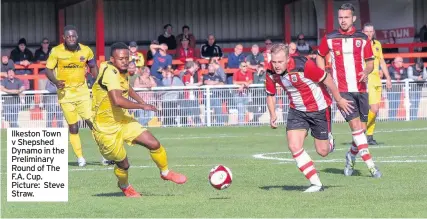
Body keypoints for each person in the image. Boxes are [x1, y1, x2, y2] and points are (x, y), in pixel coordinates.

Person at [91, 42, 187, 197]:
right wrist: (141, 107)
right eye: (120, 58)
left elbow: (126, 88)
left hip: (122, 120)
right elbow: (117, 100)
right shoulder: (110, 73)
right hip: (105, 129)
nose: (124, 61)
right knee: (124, 164)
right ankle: (124, 185)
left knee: (154, 143)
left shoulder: (121, 71)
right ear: (112, 59)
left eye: (126, 58)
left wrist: (141, 101)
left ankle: (165, 172)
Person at [266, 43, 353, 192]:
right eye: (274, 62)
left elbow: (328, 80)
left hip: (319, 108)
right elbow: (270, 94)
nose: (276, 65)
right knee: (294, 146)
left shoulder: (304, 65)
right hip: (297, 110)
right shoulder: (270, 71)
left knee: (323, 152)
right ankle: (316, 184)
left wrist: (339, 100)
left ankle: (329, 141)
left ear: (288, 58)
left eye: (280, 62)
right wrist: (273, 114)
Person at [316, 3, 381, 178]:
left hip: (361, 89)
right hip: (342, 90)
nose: (343, 21)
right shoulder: (330, 37)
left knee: (361, 128)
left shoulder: (362, 38)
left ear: (353, 18)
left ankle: (351, 155)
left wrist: (366, 71)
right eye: (340, 17)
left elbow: (370, 62)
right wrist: (323, 75)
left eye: (346, 17)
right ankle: (372, 167)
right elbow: (319, 56)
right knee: (355, 127)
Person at [45, 25, 105, 167]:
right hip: (65, 95)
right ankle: (80, 157)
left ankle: (104, 154)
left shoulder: (86, 50)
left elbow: (93, 66)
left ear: (77, 37)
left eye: (74, 36)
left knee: (93, 123)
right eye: (68, 36)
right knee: (73, 127)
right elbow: (48, 70)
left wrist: (97, 83)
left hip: (82, 92)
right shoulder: (56, 51)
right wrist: (55, 81)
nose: (71, 38)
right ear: (64, 38)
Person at [362, 23, 392, 145]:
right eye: (366, 31)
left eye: (371, 31)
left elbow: (382, 62)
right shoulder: (361, 45)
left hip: (376, 81)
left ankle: (369, 136)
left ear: (374, 32)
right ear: (363, 32)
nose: (369, 33)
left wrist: (388, 78)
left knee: (375, 110)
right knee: (373, 108)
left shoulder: (377, 44)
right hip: (366, 79)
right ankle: (361, 132)